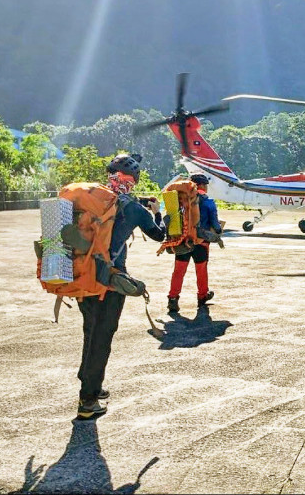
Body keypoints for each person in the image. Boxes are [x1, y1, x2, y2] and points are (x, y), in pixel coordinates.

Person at [77, 153, 166, 419]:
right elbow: (159, 234)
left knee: (90, 331)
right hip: (111, 283)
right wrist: (158, 212)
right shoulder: (134, 208)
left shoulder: (94, 198)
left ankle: (90, 382)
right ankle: (88, 402)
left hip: (83, 276)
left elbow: (117, 206)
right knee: (102, 339)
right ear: (134, 180)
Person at [166, 173, 223, 313]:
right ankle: (202, 297)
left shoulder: (180, 200)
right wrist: (218, 230)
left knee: (178, 271)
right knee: (201, 270)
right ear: (202, 185)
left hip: (182, 241)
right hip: (200, 243)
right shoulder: (208, 202)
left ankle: (173, 299)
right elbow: (215, 225)